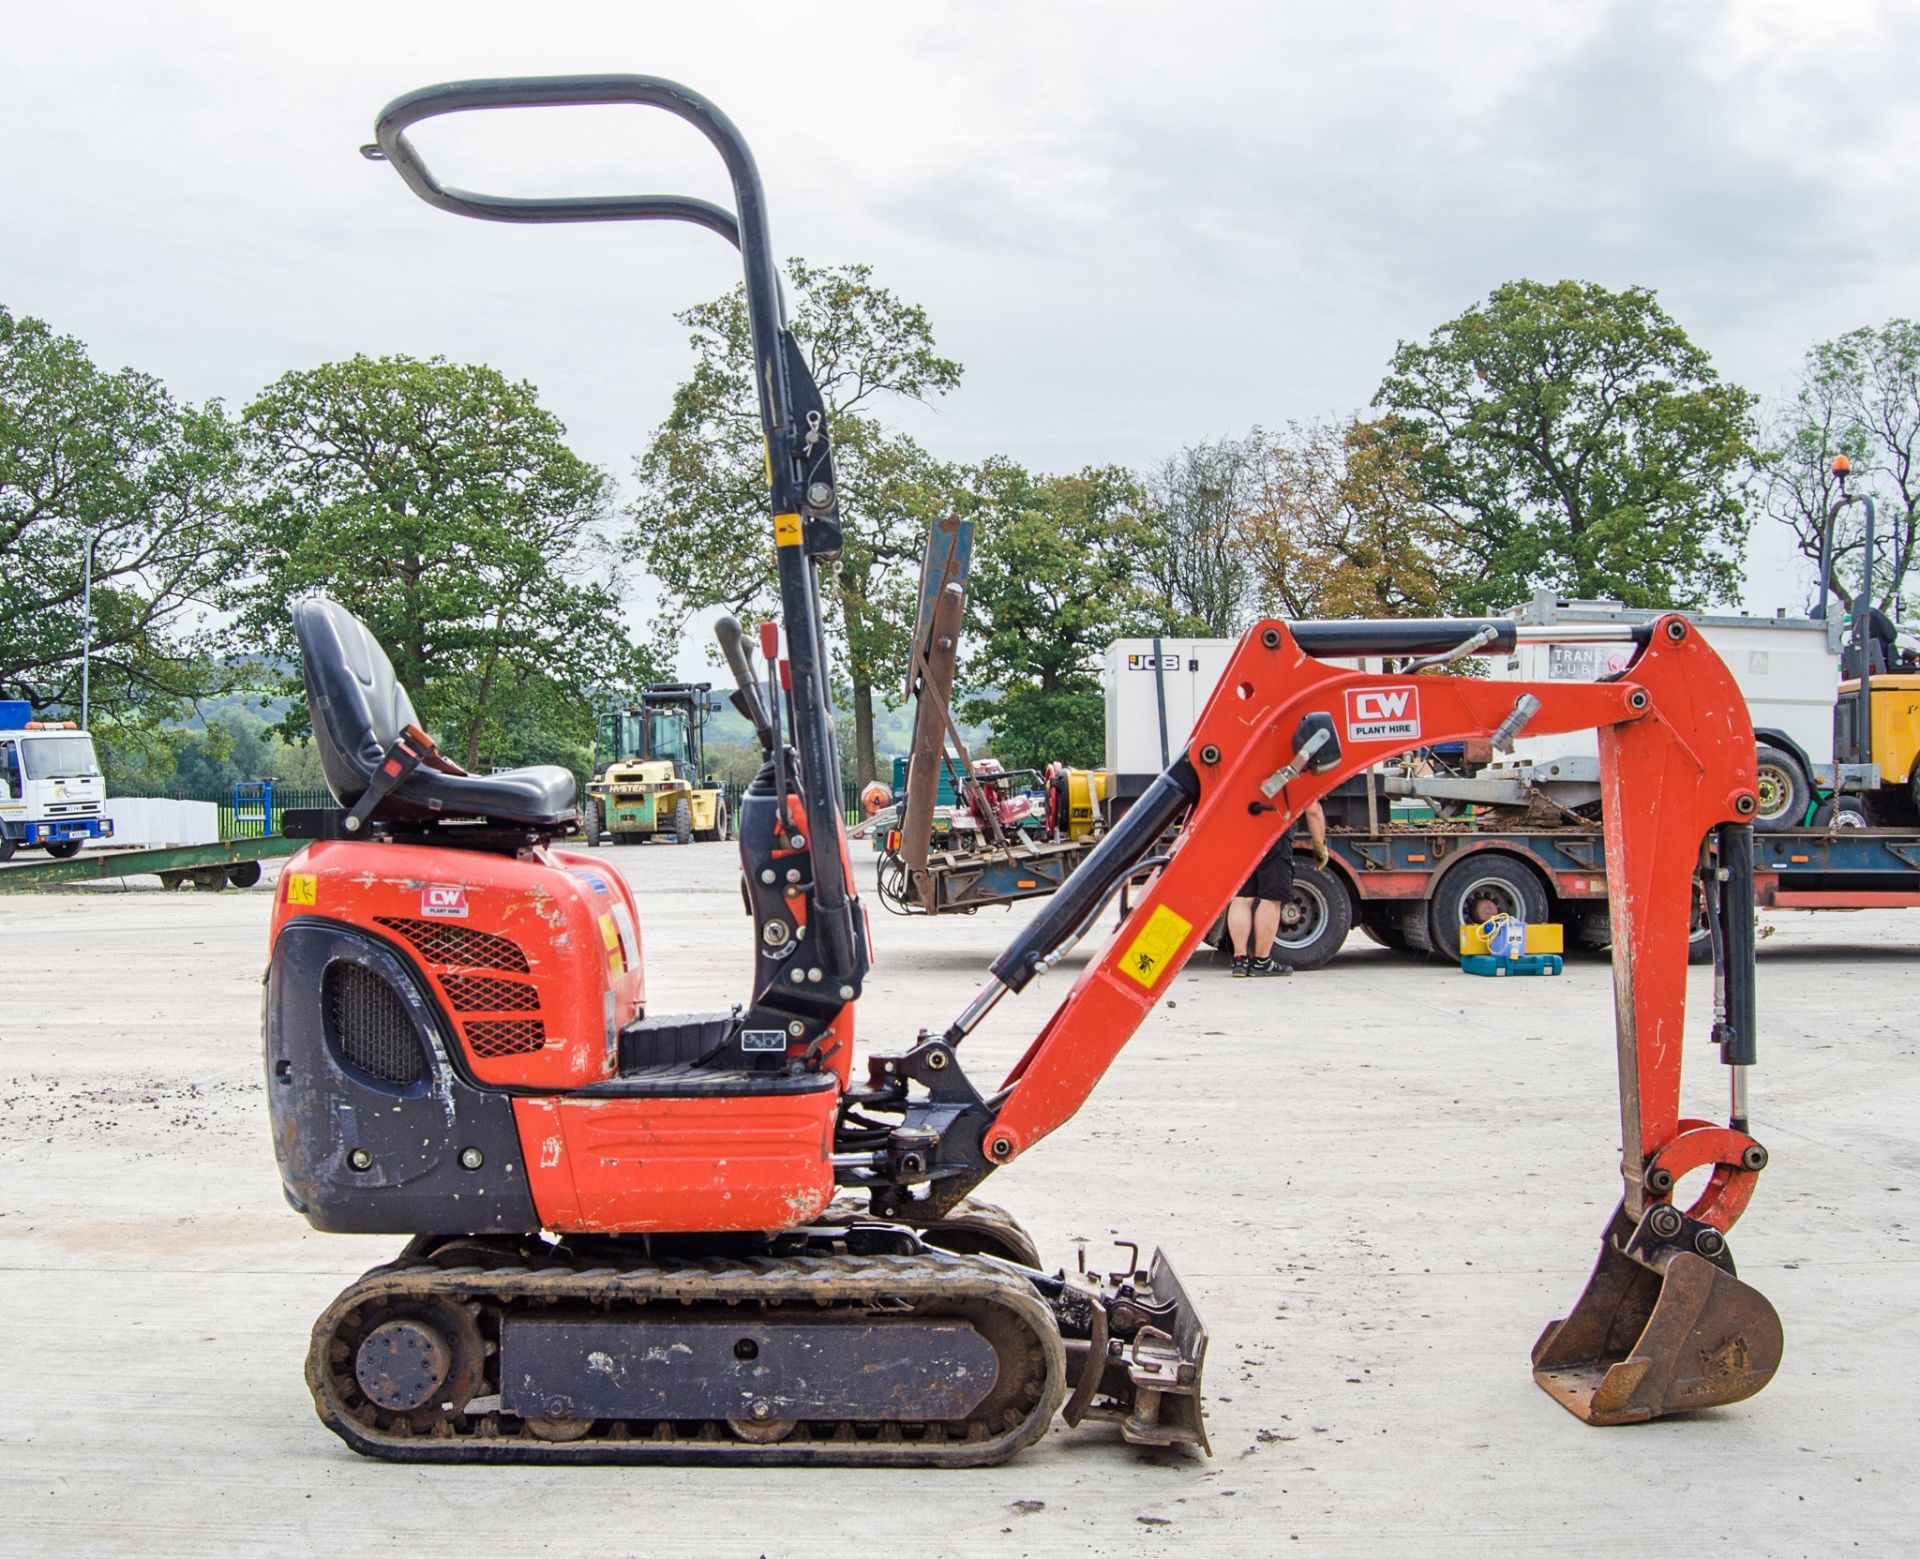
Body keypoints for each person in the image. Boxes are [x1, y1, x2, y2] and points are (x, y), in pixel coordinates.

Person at [1228, 801, 1328, 977]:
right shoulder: (1293, 773)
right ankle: (1261, 962)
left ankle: (1239, 961)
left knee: (1242, 897)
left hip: (1241, 828)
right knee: (1271, 898)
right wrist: (1320, 845)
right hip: (1275, 829)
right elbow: (1313, 809)